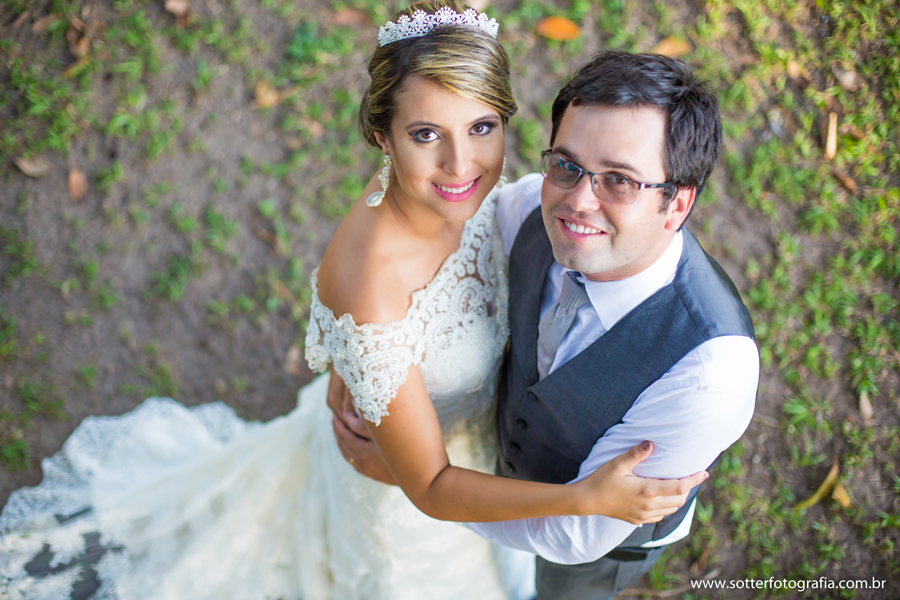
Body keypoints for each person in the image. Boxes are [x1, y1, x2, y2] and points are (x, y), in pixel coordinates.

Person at [0, 5, 704, 600]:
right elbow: (428, 485)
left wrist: (357, 377)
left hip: (471, 449)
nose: (462, 168)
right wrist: (585, 501)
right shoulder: (371, 284)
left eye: (482, 128)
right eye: (426, 135)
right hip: (411, 498)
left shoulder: (487, 202)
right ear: (381, 136)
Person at [331, 50, 760, 600]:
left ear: (677, 204)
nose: (577, 201)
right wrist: (359, 356)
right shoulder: (518, 213)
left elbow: (573, 534)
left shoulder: (707, 375)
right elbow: (398, 275)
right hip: (476, 466)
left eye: (620, 181)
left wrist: (415, 481)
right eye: (567, 164)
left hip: (597, 548)